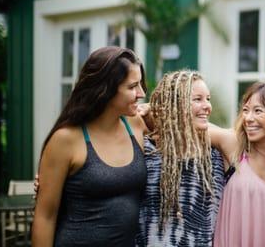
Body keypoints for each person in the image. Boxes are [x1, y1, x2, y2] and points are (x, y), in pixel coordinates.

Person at [32, 46, 149, 247]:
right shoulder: (66, 140)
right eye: (132, 87)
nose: (141, 93)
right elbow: (45, 217)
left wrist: (224, 139)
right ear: (106, 89)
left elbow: (187, 130)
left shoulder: (137, 125)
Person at [136, 70, 224, 247]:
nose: (207, 106)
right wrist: (151, 109)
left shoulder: (215, 156)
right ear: (175, 104)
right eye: (198, 99)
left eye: (208, 98)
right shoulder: (145, 151)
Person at [211, 81, 265, 246]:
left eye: (258, 111)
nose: (248, 118)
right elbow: (188, 126)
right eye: (245, 110)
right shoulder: (235, 146)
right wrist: (150, 111)